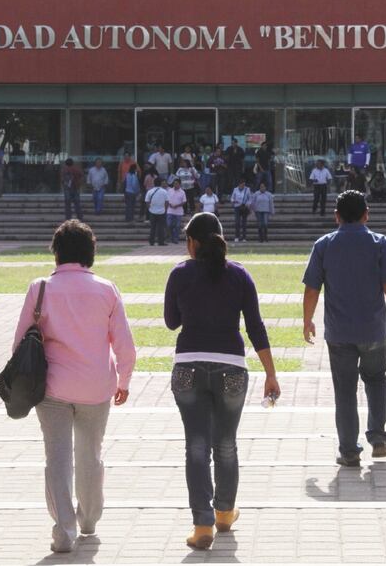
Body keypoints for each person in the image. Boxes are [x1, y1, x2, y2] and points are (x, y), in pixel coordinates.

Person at [12, 220, 136, 553]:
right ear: (90, 253)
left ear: (56, 252)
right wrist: (123, 380)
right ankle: (90, 519)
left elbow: (20, 342)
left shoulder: (40, 288)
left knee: (57, 459)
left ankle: (64, 528)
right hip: (97, 387)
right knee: (90, 455)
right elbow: (124, 344)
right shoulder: (106, 289)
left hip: (52, 388)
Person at [164, 212, 280, 549]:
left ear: (192, 243)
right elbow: (255, 327)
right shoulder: (240, 275)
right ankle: (225, 513)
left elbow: (172, 322)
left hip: (188, 366)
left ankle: (202, 526)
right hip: (231, 367)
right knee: (226, 444)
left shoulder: (180, 274)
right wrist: (270, 373)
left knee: (196, 446)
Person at [302, 190, 386, 466]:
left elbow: (312, 288)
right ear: (366, 214)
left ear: (336, 216)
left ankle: (349, 450)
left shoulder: (324, 245)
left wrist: (307, 320)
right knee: (376, 380)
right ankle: (377, 438)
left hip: (339, 332)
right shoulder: (381, 244)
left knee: (344, 389)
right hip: (373, 329)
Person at [145, 178, 169, 246]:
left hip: (152, 211)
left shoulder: (150, 191)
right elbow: (167, 202)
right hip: (162, 211)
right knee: (161, 228)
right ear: (161, 183)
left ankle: (151, 241)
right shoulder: (164, 192)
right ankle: (161, 242)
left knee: (153, 227)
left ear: (154, 183)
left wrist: (149, 208)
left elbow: (147, 201)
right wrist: (165, 209)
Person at [230, 178, 251, 242]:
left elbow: (249, 199)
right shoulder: (235, 189)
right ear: (239, 184)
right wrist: (234, 201)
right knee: (237, 222)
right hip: (237, 207)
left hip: (244, 207)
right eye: (241, 184)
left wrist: (247, 204)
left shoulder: (247, 189)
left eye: (244, 184)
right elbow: (232, 198)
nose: (243, 186)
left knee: (244, 223)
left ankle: (244, 237)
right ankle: (237, 236)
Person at [167, 178, 187, 244]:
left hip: (179, 212)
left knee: (177, 226)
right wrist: (169, 204)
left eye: (177, 183)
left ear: (179, 184)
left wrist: (177, 205)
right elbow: (166, 199)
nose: (175, 185)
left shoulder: (182, 192)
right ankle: (170, 237)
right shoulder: (169, 190)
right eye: (174, 183)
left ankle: (176, 239)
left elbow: (184, 201)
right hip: (170, 210)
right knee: (169, 224)